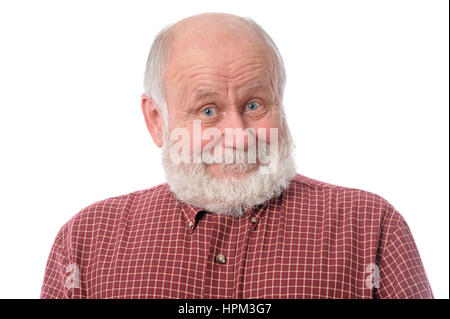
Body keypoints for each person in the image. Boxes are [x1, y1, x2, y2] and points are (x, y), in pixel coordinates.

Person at [41, 12, 433, 299]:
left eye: (254, 105)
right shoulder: (86, 242)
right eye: (207, 110)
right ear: (156, 120)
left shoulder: (371, 227)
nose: (238, 137)